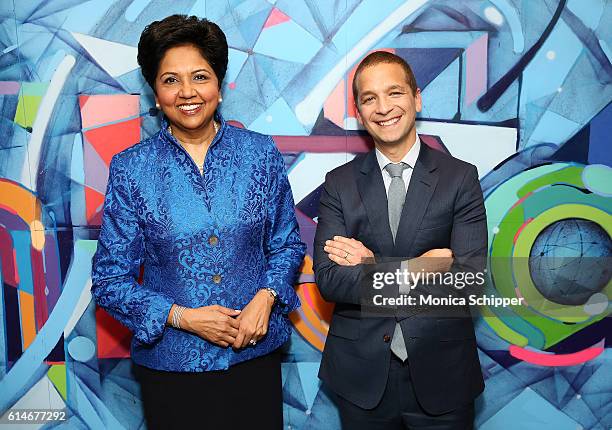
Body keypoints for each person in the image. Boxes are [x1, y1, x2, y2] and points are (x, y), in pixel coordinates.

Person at [91, 15, 305, 429]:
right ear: (155, 92)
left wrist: (267, 297)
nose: (187, 92)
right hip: (172, 369)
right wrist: (182, 317)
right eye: (171, 80)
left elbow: (287, 246)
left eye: (200, 77)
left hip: (253, 358)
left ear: (219, 87)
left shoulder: (259, 154)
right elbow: (109, 281)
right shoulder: (132, 169)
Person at [314, 51, 487, 429]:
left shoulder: (460, 178)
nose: (383, 108)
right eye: (369, 98)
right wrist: (417, 268)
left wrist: (371, 268)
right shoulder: (339, 185)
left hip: (443, 374)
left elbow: (469, 283)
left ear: (416, 98)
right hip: (361, 378)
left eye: (394, 93)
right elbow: (330, 281)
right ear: (358, 112)